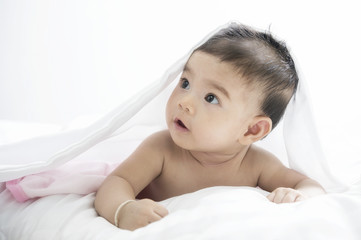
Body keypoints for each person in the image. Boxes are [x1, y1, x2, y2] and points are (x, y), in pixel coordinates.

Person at [94, 23, 325, 231]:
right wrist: (123, 209)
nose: (184, 102)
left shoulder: (257, 164)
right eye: (185, 83)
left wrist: (298, 195)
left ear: (251, 130)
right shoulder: (161, 149)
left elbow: (311, 187)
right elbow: (116, 182)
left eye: (211, 98)